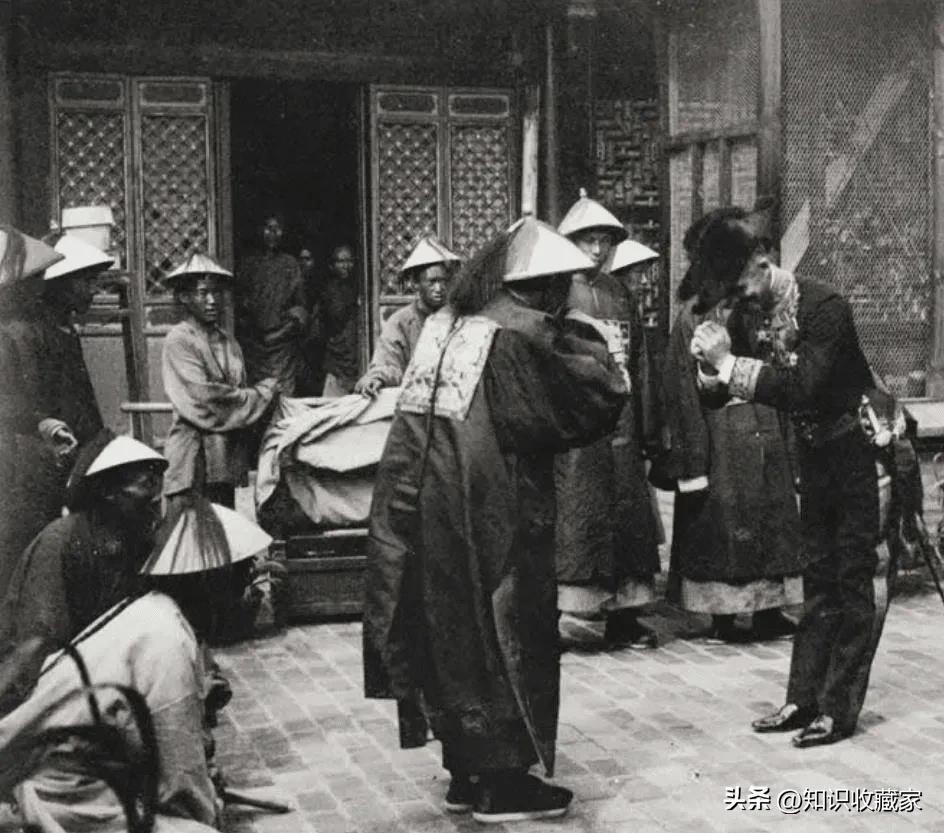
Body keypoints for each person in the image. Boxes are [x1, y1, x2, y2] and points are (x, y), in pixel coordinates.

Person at [363, 216, 627, 823]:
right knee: (505, 632)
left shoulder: (445, 323)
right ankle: (502, 783)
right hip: (493, 511)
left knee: (448, 632)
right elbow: (595, 397)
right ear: (544, 284)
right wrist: (580, 331)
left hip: (424, 506)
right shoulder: (519, 331)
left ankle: (465, 768)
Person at [690, 210, 888, 748]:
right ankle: (803, 699)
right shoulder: (749, 310)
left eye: (738, 285)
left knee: (852, 579)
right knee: (816, 579)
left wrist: (728, 364)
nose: (735, 299)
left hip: (857, 451)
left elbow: (803, 389)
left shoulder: (825, 307)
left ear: (763, 261)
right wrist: (707, 366)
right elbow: (720, 394)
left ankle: (839, 709)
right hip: (813, 455)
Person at [0, 501, 272, 833]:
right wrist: (208, 812)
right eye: (240, 577)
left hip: (60, 776)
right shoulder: (166, 639)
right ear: (210, 581)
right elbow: (182, 784)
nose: (245, 592)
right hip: (61, 792)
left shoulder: (152, 611)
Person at [662, 209, 807, 644]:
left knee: (771, 521)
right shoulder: (693, 317)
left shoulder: (760, 309)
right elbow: (681, 392)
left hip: (766, 424)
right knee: (720, 524)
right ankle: (721, 614)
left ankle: (768, 611)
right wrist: (692, 461)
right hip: (720, 436)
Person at [554, 190, 662, 648]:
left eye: (603, 240)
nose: (597, 250)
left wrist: (646, 424)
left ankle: (626, 616)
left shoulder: (620, 293)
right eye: (588, 240)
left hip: (622, 421)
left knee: (627, 517)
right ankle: (569, 613)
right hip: (578, 424)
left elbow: (640, 360)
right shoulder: (557, 291)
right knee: (579, 518)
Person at [0, 430, 167, 715]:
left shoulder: (140, 537)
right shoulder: (61, 542)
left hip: (109, 668)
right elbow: (38, 638)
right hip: (61, 675)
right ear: (108, 493)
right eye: (144, 486)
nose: (154, 499)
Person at [0, 231, 111, 594]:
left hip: (65, 450)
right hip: (28, 457)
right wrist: (44, 426)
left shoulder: (61, 331)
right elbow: (18, 401)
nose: (93, 290)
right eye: (86, 281)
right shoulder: (18, 334)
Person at [162, 253, 279, 510]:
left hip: (224, 460)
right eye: (203, 293)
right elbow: (206, 400)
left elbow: (237, 392)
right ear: (185, 297)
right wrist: (261, 395)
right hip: (192, 458)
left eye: (216, 292)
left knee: (225, 528)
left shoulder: (228, 342)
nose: (212, 300)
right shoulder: (179, 340)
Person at [353, 236, 460, 397]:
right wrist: (377, 378)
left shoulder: (458, 319)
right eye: (432, 282)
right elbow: (388, 363)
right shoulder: (401, 322)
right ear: (416, 283)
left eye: (443, 281)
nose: (439, 288)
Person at [236, 214, 308, 395]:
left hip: (282, 347)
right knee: (258, 396)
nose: (273, 233)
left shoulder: (290, 264)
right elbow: (238, 304)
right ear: (260, 230)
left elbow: (300, 307)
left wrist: (282, 332)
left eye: (278, 229)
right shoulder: (248, 264)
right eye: (268, 228)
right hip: (254, 346)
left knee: (283, 396)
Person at [320, 244, 360, 396]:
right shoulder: (330, 290)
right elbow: (335, 316)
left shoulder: (359, 286)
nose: (346, 265)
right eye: (341, 261)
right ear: (332, 265)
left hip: (354, 350)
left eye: (349, 261)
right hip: (338, 353)